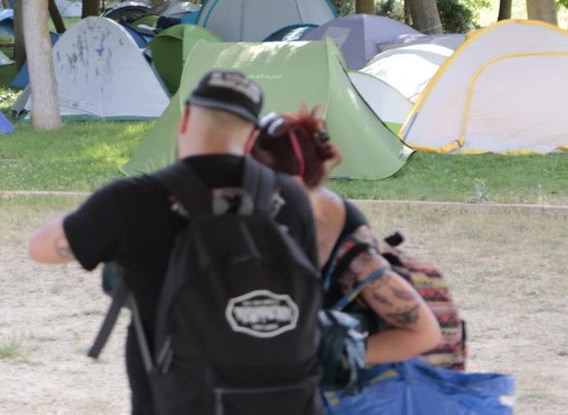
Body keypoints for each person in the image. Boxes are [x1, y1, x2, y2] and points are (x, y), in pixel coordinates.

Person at [29, 70, 321, 414]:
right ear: (250, 138)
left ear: (184, 119)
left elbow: (41, 248)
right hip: (281, 400)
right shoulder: (290, 198)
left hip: (178, 400)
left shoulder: (134, 200)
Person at [252, 107, 441, 365]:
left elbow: (424, 334)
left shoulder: (351, 251)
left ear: (292, 182)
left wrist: (329, 360)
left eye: (255, 177)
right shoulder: (282, 213)